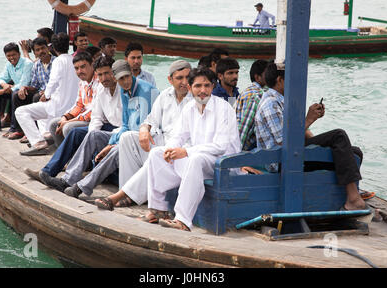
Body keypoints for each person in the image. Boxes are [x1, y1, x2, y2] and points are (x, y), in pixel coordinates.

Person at [38, 60, 159, 199]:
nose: (124, 81)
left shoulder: (145, 91)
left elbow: (141, 128)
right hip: (125, 134)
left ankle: (81, 186)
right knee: (93, 135)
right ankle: (67, 180)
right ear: (116, 77)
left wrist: (112, 145)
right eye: (120, 78)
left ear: (132, 73)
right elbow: (125, 124)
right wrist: (110, 143)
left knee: (113, 148)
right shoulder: (125, 91)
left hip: (144, 139)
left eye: (126, 77)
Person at [254, 63, 367, 211]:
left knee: (354, 153)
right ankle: (353, 199)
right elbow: (282, 141)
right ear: (280, 80)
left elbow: (298, 133)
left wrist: (310, 120)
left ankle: (348, 197)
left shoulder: (282, 100)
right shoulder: (271, 103)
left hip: (293, 152)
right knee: (338, 136)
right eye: (292, 79)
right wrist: (309, 119)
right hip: (282, 160)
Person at [142, 67, 241, 231]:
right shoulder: (189, 108)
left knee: (195, 159)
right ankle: (159, 210)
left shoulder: (224, 108)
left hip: (223, 163)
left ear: (213, 86)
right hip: (201, 159)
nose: (203, 91)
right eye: (198, 86)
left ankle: (183, 220)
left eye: (207, 86)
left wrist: (186, 152)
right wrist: (170, 149)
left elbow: (220, 146)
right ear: (190, 87)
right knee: (156, 153)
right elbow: (178, 136)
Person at [94, 60, 192, 210]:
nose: (185, 82)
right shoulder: (165, 95)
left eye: (188, 77)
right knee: (127, 138)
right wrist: (144, 129)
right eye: (179, 78)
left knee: (158, 154)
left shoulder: (196, 99)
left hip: (182, 151)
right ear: (170, 80)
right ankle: (128, 194)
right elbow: (150, 119)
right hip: (163, 141)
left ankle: (120, 196)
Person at [24, 55, 121, 182]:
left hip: (117, 130)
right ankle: (50, 170)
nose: (103, 78)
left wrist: (71, 121)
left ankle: (72, 171)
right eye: (76, 68)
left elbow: (93, 113)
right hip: (102, 125)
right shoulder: (97, 87)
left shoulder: (112, 87)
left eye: (107, 73)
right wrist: (66, 117)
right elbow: (87, 110)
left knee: (70, 128)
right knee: (61, 126)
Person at [16, 32, 80, 155]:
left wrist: (46, 95)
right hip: (72, 107)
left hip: (58, 106)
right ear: (69, 45)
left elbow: (53, 81)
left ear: (52, 47)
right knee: (40, 110)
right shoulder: (74, 60)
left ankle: (39, 143)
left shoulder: (58, 61)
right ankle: (45, 136)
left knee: (21, 111)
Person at [6, 37, 56, 140]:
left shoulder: (56, 62)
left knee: (36, 98)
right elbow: (34, 86)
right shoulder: (36, 65)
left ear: (48, 48)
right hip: (40, 92)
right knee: (17, 95)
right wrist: (24, 87)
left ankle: (36, 133)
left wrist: (47, 92)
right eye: (37, 50)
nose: (41, 51)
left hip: (54, 94)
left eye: (43, 48)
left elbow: (60, 83)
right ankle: (20, 131)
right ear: (34, 53)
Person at [48, 51, 99, 147]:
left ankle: (75, 159)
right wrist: (65, 117)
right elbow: (79, 105)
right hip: (84, 117)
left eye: (83, 67)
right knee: (54, 124)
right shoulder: (82, 83)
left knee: (68, 127)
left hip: (95, 119)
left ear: (92, 65)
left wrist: (69, 121)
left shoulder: (99, 81)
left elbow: (94, 110)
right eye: (76, 68)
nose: (80, 71)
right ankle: (65, 158)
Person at [0, 42, 33, 132]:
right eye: (8, 56)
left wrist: (4, 91)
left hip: (28, 91)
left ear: (19, 54)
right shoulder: (9, 64)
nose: (11, 58)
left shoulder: (27, 64)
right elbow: (1, 78)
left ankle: (13, 128)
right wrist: (4, 85)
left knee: (14, 94)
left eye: (14, 55)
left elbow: (24, 83)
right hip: (14, 89)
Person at [235, 59, 268, 150]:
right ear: (257, 77)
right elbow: (244, 129)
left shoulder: (250, 91)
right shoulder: (255, 96)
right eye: (267, 74)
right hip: (247, 148)